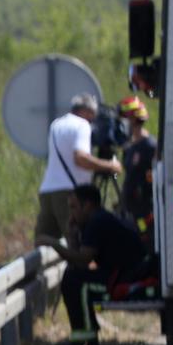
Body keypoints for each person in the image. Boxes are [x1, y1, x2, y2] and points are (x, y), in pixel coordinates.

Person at [38, 183, 153, 345]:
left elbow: (82, 260)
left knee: (74, 281)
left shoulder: (97, 221)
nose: (71, 213)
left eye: (74, 207)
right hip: (122, 274)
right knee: (74, 277)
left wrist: (54, 244)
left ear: (88, 206)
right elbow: (80, 264)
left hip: (127, 278)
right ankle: (86, 333)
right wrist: (72, 236)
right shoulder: (96, 219)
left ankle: (85, 340)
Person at [36, 93, 122, 246]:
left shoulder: (56, 124)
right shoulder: (82, 125)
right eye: (93, 116)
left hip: (47, 190)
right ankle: (80, 270)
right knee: (76, 242)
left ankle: (38, 271)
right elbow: (80, 158)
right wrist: (110, 165)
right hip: (68, 193)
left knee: (43, 244)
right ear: (88, 111)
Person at [118, 95, 156, 237]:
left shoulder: (150, 146)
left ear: (133, 119)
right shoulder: (128, 147)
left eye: (124, 118)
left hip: (145, 209)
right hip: (130, 208)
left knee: (144, 234)